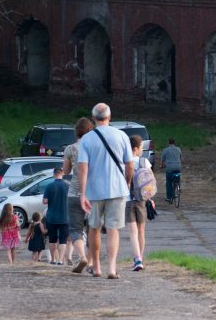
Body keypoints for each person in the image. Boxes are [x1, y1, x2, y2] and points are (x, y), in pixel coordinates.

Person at [77, 103, 134, 280]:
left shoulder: (87, 139)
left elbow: (83, 168)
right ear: (110, 116)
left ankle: (97, 267)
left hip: (94, 191)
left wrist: (82, 193)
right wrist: (127, 183)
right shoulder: (122, 136)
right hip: (117, 189)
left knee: (94, 228)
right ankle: (111, 268)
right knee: (113, 229)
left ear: (93, 118)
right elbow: (129, 164)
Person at [64, 117, 94, 272]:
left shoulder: (70, 149)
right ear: (90, 130)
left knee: (75, 229)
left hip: (74, 193)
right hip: (92, 194)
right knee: (92, 229)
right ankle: (90, 262)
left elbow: (66, 171)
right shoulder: (94, 148)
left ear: (76, 131)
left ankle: (81, 256)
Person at [125, 134, 152, 271]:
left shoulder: (124, 162)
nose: (142, 150)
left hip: (128, 200)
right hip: (141, 200)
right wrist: (150, 199)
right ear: (136, 148)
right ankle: (141, 258)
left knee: (133, 232)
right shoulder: (144, 162)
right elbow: (150, 183)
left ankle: (137, 259)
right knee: (142, 231)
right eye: (141, 147)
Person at [43, 167, 70, 265]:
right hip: (65, 217)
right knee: (63, 240)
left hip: (52, 217)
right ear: (62, 173)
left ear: (54, 174)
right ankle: (61, 260)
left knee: (52, 239)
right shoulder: (68, 186)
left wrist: (52, 200)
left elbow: (44, 201)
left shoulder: (49, 186)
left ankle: (53, 259)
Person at [160, 137, 182, 203]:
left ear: (168, 143)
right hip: (178, 167)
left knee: (169, 182)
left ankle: (169, 198)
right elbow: (180, 157)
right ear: (174, 143)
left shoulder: (165, 150)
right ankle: (179, 187)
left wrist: (162, 166)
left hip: (169, 169)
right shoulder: (178, 149)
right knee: (177, 178)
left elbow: (163, 160)